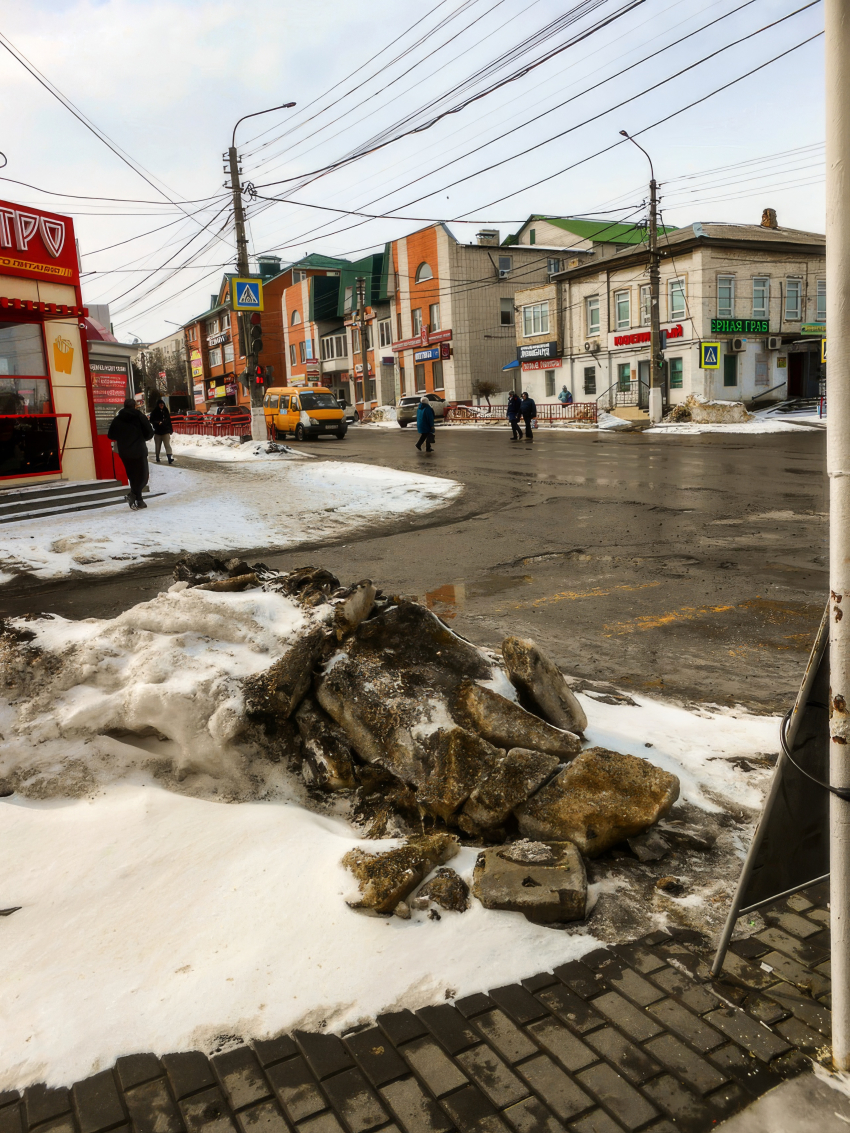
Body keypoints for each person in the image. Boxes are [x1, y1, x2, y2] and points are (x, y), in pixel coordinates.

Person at [108, 397, 154, 509]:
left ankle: (139, 500)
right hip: (139, 450)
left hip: (125, 452)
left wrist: (123, 437)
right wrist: (141, 437)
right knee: (143, 476)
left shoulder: (118, 419)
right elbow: (149, 432)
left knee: (132, 476)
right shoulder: (140, 417)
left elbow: (111, 435)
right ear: (134, 406)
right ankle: (133, 495)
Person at [149, 398, 174, 464]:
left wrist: (170, 429)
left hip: (165, 431)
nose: (162, 405)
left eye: (162, 404)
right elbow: (151, 420)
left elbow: (169, 421)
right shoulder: (154, 412)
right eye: (160, 404)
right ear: (158, 405)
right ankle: (157, 457)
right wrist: (157, 423)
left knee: (167, 445)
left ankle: (169, 457)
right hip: (157, 432)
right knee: (158, 445)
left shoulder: (166, 411)